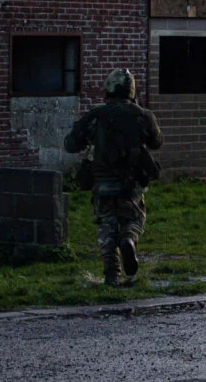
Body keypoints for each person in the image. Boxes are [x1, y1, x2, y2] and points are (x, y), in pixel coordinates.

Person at [64, 68, 163, 288]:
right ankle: (129, 239)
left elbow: (71, 144)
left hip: (102, 183)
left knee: (106, 226)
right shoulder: (142, 115)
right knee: (134, 220)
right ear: (132, 91)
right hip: (132, 185)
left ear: (108, 90)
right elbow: (157, 142)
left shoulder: (96, 115)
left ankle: (111, 275)